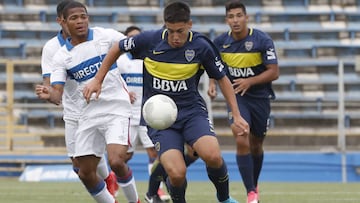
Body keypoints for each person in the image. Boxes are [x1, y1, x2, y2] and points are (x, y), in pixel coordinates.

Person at [83, 1, 249, 203]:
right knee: (177, 173)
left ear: (189, 24)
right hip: (159, 119)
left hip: (192, 112)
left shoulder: (201, 46)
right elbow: (117, 47)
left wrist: (237, 115)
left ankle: (224, 198)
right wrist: (98, 80)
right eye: (170, 31)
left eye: (180, 31)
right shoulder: (149, 40)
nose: (175, 37)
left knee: (213, 156)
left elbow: (222, 78)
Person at [35, 1, 140, 203]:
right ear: (62, 22)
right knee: (82, 171)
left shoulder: (106, 36)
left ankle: (134, 199)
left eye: (83, 16)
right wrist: (49, 95)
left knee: (117, 161)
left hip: (115, 108)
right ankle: (110, 192)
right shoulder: (57, 52)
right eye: (74, 18)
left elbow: (132, 45)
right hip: (82, 113)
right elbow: (56, 92)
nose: (80, 21)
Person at [209, 1, 280, 203]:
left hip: (260, 98)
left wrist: (250, 81)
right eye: (231, 17)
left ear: (246, 17)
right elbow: (212, 65)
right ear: (226, 20)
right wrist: (212, 83)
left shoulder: (262, 40)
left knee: (256, 144)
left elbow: (274, 72)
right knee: (241, 136)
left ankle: (253, 185)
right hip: (237, 98)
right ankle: (251, 193)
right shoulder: (220, 42)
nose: (235, 20)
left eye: (239, 16)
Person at [117, 25, 170, 202]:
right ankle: (116, 182)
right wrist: (123, 91)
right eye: (131, 37)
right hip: (127, 115)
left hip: (148, 114)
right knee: (124, 156)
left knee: (154, 154)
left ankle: (157, 190)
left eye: (137, 37)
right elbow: (112, 81)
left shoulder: (150, 58)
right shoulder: (121, 61)